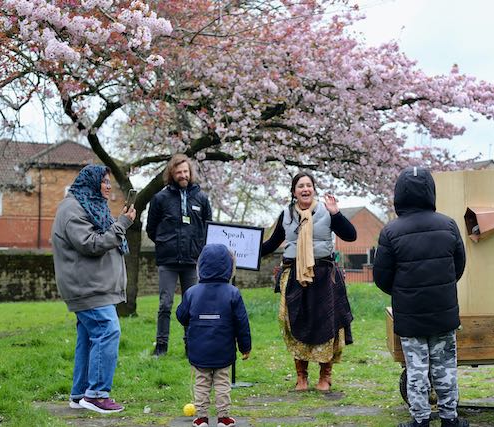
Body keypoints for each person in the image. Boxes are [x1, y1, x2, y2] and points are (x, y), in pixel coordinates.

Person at [373, 167, 468, 427]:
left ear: (399, 195)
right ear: (430, 192)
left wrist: (403, 292)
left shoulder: (390, 232)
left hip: (410, 313)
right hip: (443, 310)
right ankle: (450, 418)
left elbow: (381, 277)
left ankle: (420, 419)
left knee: (417, 369)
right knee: (445, 367)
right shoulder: (448, 225)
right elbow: (458, 266)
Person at [261, 171, 356, 392]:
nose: (305, 189)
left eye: (309, 185)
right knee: (296, 324)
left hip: (324, 276)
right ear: (294, 192)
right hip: (295, 276)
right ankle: (301, 377)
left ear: (314, 189)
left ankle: (325, 376)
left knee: (326, 325)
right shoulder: (286, 214)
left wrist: (337, 214)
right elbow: (271, 243)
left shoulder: (327, 211)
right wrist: (244, 249)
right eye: (300, 186)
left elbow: (351, 236)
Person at [51, 165, 136, 413]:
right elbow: (91, 244)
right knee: (108, 330)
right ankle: (97, 394)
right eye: (104, 182)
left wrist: (119, 222)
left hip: (94, 286)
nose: (109, 187)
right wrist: (121, 225)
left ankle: (80, 395)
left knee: (89, 338)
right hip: (87, 287)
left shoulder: (90, 205)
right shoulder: (72, 209)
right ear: (90, 182)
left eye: (110, 182)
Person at [176, 244, 251, 427]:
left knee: (201, 383)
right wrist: (245, 347)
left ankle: (201, 417)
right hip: (224, 349)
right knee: (222, 384)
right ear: (229, 267)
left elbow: (181, 316)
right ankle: (223, 418)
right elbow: (242, 323)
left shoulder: (192, 292)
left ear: (200, 266)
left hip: (199, 349)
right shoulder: (233, 292)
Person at [146, 154, 212, 356]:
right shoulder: (160, 198)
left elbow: (209, 228)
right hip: (168, 260)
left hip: (192, 261)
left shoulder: (201, 198)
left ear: (190, 173)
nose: (183, 175)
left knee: (191, 305)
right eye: (178, 172)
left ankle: (190, 345)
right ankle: (161, 346)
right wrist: (165, 243)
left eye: (185, 171)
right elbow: (151, 228)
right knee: (165, 304)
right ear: (172, 174)